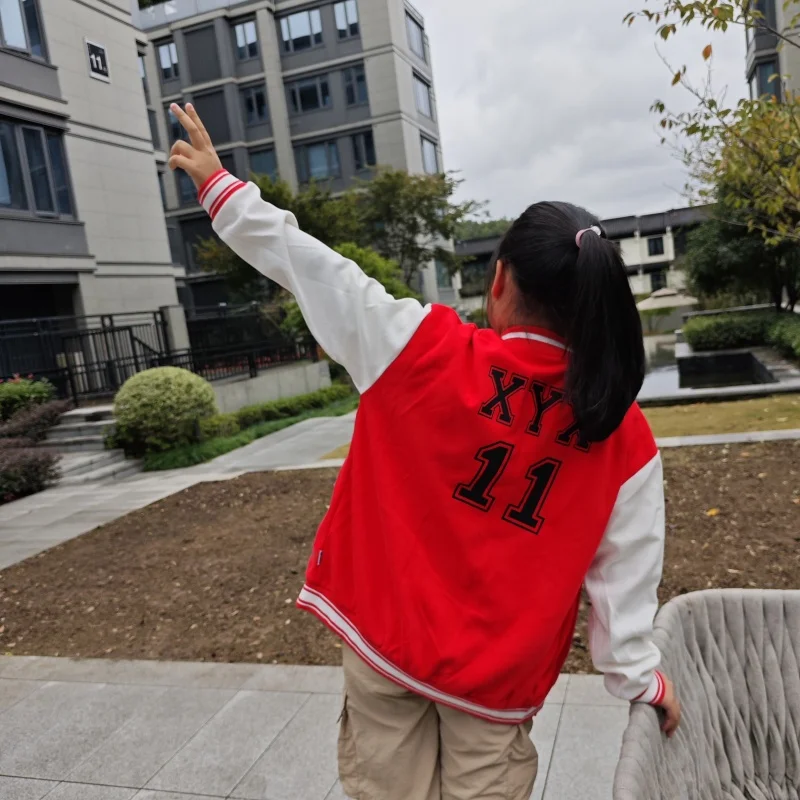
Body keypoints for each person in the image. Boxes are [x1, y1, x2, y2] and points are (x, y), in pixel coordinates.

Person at [168, 103, 681, 800]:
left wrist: (219, 186)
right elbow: (624, 588)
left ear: (499, 280)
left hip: (388, 646)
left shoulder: (420, 349)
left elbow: (314, 268)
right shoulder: (624, 438)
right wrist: (641, 683)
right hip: (498, 686)